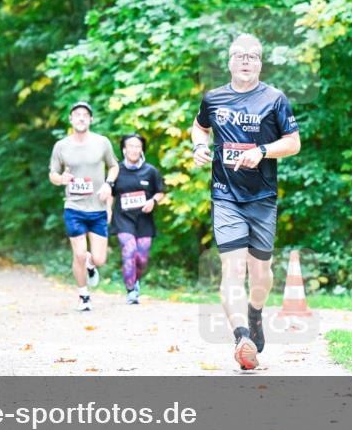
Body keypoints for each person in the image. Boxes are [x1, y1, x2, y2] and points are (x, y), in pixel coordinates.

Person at [191, 33, 301, 370]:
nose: (245, 60)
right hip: (226, 196)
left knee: (261, 274)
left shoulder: (275, 99)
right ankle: (242, 338)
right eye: (239, 55)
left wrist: (262, 151)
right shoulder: (214, 98)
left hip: (262, 198)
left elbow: (293, 142)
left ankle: (254, 314)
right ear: (229, 61)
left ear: (260, 63)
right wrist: (199, 147)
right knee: (232, 269)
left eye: (252, 56)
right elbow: (199, 128)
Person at [49, 101, 119, 312]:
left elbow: (114, 166)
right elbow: (52, 174)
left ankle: (90, 263)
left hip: (97, 208)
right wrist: (61, 180)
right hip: (74, 207)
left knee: (99, 258)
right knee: (78, 253)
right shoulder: (61, 146)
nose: (81, 118)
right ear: (71, 119)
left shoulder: (102, 142)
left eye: (85, 115)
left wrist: (108, 184)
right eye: (77, 114)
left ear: (90, 120)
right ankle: (83, 295)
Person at [110, 133, 166, 305]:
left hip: (144, 220)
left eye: (137, 146)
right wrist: (107, 212)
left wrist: (153, 201)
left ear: (141, 149)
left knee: (141, 259)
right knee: (129, 250)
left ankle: (135, 280)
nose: (134, 149)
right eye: (130, 146)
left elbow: (161, 192)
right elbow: (109, 194)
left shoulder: (150, 171)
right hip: (123, 219)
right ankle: (131, 291)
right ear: (124, 149)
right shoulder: (116, 170)